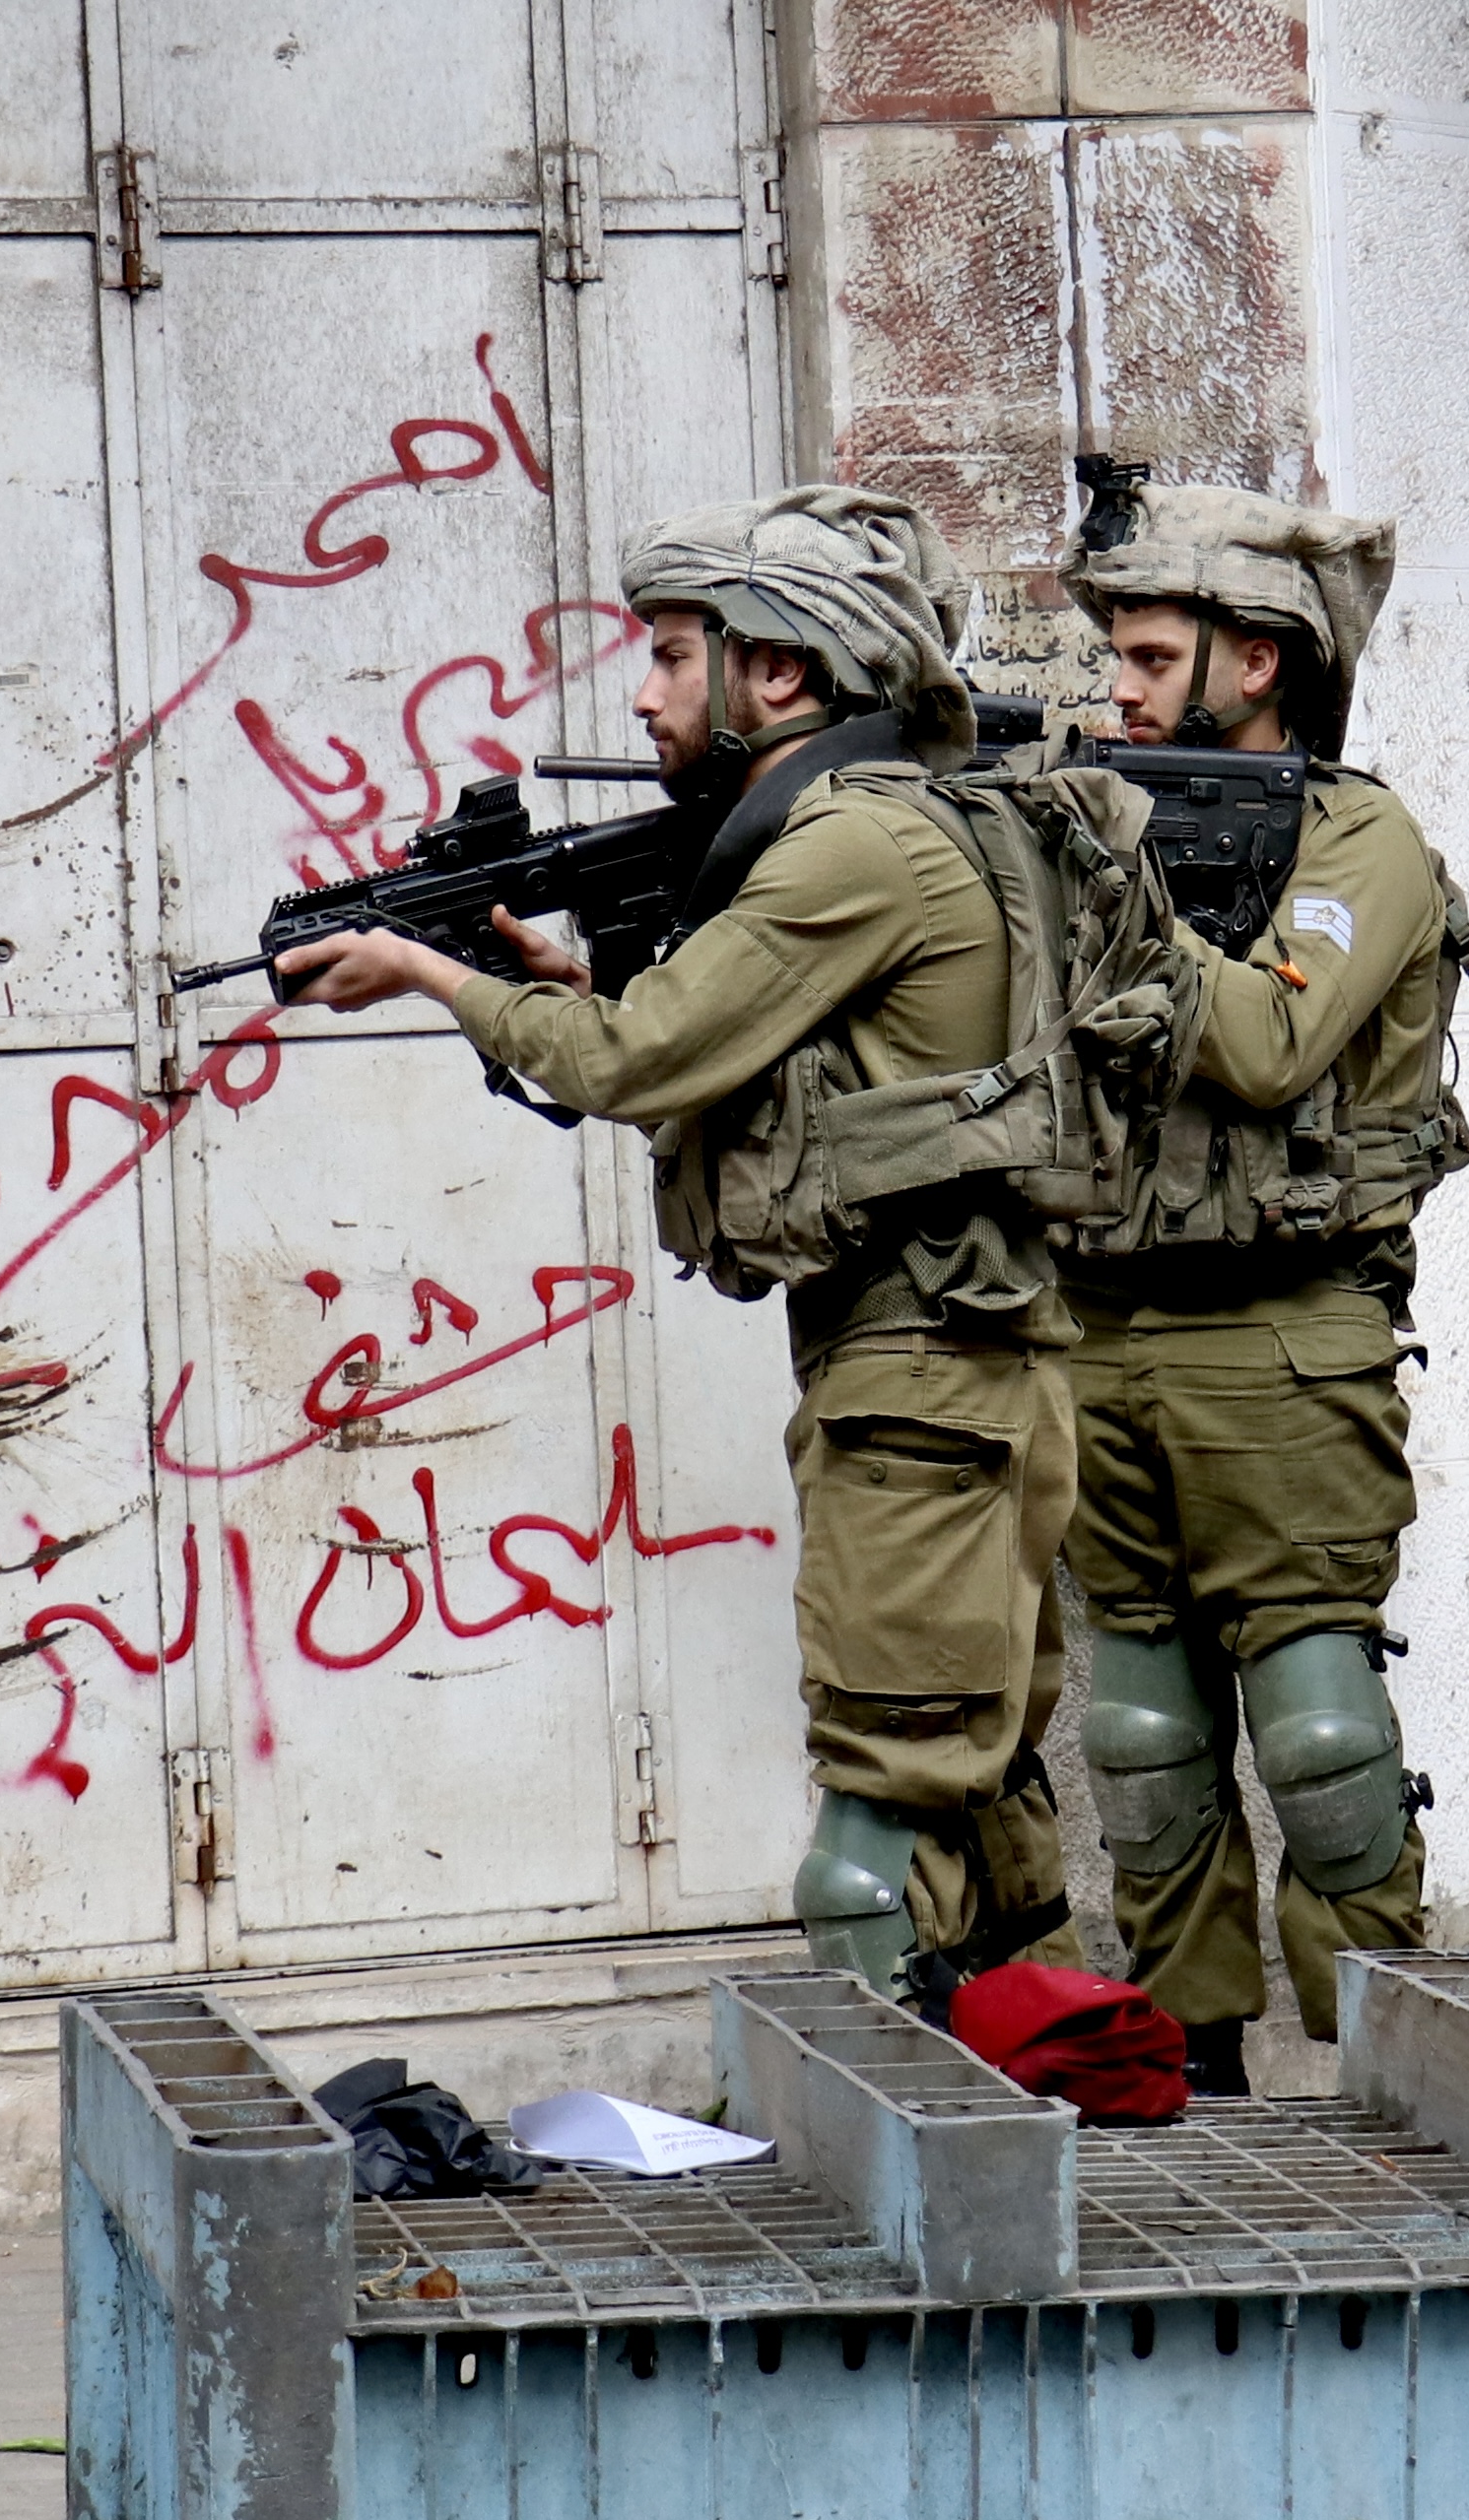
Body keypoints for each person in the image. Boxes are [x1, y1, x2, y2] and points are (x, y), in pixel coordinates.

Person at [276, 486, 1101, 2009]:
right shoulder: (886, 827)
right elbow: (722, 1043)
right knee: (975, 1820)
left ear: (779, 674)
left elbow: (635, 1062)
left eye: (671, 653)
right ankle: (1059, 2135)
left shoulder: (850, 845)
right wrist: (555, 973)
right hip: (948, 1371)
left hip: (923, 1384)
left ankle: (914, 2182)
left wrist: (422, 974)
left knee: (870, 1863)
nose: (643, 692)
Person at [1050, 480, 1469, 2088]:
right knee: (1145, 1747)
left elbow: (1266, 1040)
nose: (1125, 692)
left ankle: (1398, 2065)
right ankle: (1193, 2075)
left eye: (1156, 657)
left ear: (1261, 661)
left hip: (1288, 1336)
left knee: (1317, 1741)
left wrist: (1119, 895)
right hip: (1102, 1327)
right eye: (1121, 661)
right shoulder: (1093, 824)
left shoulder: (1351, 836)